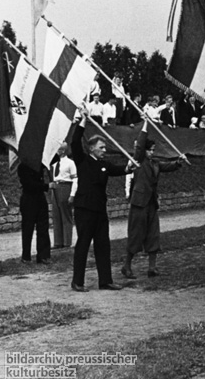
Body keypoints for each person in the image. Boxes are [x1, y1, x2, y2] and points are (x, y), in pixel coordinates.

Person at [70, 109, 132, 292]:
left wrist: (130, 167)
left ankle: (105, 280)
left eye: (105, 148)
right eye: (101, 148)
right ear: (91, 148)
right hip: (84, 209)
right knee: (83, 244)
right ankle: (77, 282)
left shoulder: (104, 164)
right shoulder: (82, 160)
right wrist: (82, 121)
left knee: (103, 245)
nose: (104, 151)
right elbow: (74, 142)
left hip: (99, 210)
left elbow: (119, 170)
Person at [121, 119, 188, 279]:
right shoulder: (138, 160)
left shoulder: (155, 162)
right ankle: (126, 266)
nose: (152, 152)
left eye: (153, 150)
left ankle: (152, 267)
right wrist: (146, 125)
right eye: (150, 150)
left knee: (153, 234)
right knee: (136, 235)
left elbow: (168, 166)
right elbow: (139, 146)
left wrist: (179, 162)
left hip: (151, 203)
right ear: (144, 150)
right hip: (139, 203)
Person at [18, 162, 52, 265]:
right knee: (28, 228)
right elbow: (29, 184)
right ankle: (26, 256)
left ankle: (43, 255)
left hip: (40, 198)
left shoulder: (40, 166)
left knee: (43, 227)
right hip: (29, 199)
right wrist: (46, 186)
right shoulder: (23, 166)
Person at [49, 142, 77, 249]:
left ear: (63, 151)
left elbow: (75, 179)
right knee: (56, 215)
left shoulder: (70, 163)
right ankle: (58, 242)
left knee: (66, 215)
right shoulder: (54, 163)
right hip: (55, 187)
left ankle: (67, 242)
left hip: (65, 186)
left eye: (58, 149)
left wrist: (72, 194)